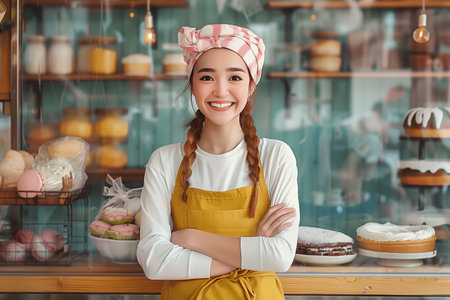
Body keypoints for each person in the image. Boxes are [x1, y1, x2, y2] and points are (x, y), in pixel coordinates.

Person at [137, 24, 300, 300]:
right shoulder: (164, 161)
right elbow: (153, 260)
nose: (221, 90)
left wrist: (189, 238)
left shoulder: (276, 156)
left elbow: (281, 256)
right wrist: (252, 248)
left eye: (235, 77)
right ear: (192, 85)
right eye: (207, 77)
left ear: (251, 86)